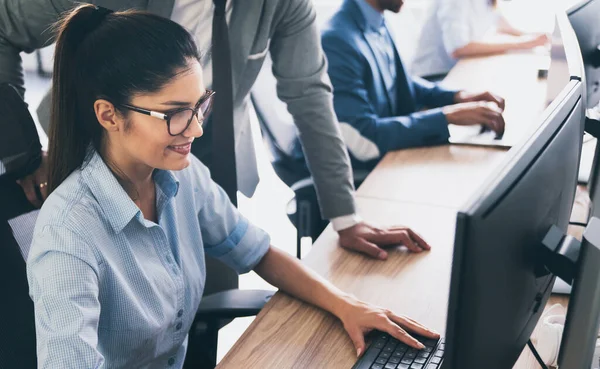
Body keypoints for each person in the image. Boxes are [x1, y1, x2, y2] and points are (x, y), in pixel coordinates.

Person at [26, 5, 440, 368]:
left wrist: (346, 305)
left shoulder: (181, 176)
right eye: (175, 114)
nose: (198, 128)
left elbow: (256, 249)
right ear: (109, 115)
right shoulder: (68, 235)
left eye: (198, 106)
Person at [0, 0, 428, 260]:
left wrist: (345, 218)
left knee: (204, 303)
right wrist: (22, 152)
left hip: (205, 165)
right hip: (101, 159)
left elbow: (310, 95)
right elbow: (4, 28)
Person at [321, 0, 507, 170]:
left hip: (389, 155)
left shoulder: (376, 21)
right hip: (358, 172)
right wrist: (446, 117)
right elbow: (365, 140)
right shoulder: (336, 41)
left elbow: (400, 83)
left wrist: (457, 97)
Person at [411, 0, 550, 80]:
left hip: (457, 71)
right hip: (433, 78)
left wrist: (534, 37)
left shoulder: (488, 2)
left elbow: (501, 24)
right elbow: (458, 48)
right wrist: (524, 43)